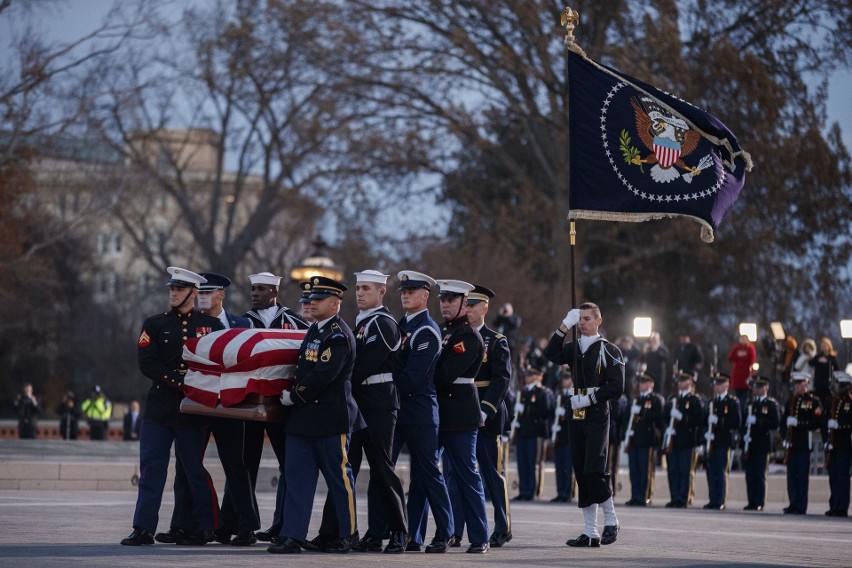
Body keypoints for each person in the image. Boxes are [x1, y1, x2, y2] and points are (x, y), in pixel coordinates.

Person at [121, 267, 223, 546]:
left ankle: (204, 527)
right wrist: (181, 380)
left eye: (178, 289)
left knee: (193, 469)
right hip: (160, 408)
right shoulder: (154, 323)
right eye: (171, 288)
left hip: (193, 410)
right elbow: (147, 363)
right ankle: (143, 528)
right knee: (152, 469)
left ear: (192, 292)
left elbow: (219, 364)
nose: (173, 293)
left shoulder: (211, 326)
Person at [314, 270, 408, 554]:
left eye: (366, 288)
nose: (359, 293)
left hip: (378, 401)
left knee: (382, 468)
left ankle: (399, 532)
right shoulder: (359, 323)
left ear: (381, 292)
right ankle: (332, 532)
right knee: (343, 468)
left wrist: (337, 378)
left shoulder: (384, 324)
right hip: (357, 401)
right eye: (358, 288)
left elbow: (365, 364)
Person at [268, 276, 359, 554]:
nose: (311, 304)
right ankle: (292, 535)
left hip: (329, 419)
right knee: (298, 479)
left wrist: (294, 395)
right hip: (304, 419)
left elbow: (323, 375)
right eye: (309, 300)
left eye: (317, 300)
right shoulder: (315, 331)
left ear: (335, 303)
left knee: (339, 482)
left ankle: (348, 534)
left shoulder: (337, 335)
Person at [544, 302, 625, 548]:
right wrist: (563, 326)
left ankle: (611, 519)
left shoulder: (609, 350)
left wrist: (591, 397)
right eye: (579, 319)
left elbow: (617, 387)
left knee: (594, 468)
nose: (582, 323)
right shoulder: (574, 347)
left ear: (598, 320)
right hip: (576, 412)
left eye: (586, 319)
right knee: (581, 470)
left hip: (597, 412)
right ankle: (590, 532)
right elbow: (550, 354)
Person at [388, 270, 453, 553]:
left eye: (411, 291)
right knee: (385, 470)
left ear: (425, 296)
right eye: (403, 291)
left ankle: (445, 531)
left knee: (427, 474)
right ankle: (398, 533)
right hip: (397, 409)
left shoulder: (427, 330)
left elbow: (411, 377)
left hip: (420, 411)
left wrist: (381, 390)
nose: (405, 295)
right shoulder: (400, 326)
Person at [242, 271, 309, 544]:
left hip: (282, 404)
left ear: (274, 292)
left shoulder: (295, 322)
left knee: (288, 464)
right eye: (253, 289)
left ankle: (282, 523)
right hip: (251, 403)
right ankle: (244, 525)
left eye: (260, 289)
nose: (254, 293)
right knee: (246, 465)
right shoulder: (243, 322)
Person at [432, 279, 489, 554]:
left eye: (451, 300)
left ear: (465, 304)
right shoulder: (446, 332)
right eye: (443, 300)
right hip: (439, 410)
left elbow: (444, 375)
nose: (444, 304)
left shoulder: (466, 336)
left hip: (459, 412)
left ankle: (479, 536)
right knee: (430, 473)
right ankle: (440, 533)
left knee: (467, 475)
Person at [459, 284, 513, 548]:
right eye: (466, 305)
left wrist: (485, 409)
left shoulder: (496, 340)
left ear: (485, 308)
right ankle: (456, 530)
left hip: (486, 412)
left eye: (472, 305)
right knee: (458, 473)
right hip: (461, 411)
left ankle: (502, 526)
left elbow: (501, 379)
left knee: (492, 473)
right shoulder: (457, 337)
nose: (467, 310)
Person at [782, 371, 823, 515]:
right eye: (795, 384)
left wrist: (799, 423)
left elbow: (816, 422)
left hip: (804, 443)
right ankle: (793, 503)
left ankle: (801, 505)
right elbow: (783, 422)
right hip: (791, 444)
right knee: (791, 476)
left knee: (802, 477)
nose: (796, 387)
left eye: (799, 384)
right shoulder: (790, 401)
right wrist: (784, 438)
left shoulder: (813, 401)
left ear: (806, 384)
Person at [663, 372, 704, 508]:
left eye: (684, 380)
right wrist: (667, 428)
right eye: (680, 380)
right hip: (673, 441)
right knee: (673, 470)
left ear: (690, 382)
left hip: (686, 441)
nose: (681, 383)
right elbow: (664, 417)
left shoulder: (694, 400)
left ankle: (683, 498)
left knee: (684, 470)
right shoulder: (672, 400)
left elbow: (698, 419)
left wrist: (682, 417)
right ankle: (674, 496)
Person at [512, 367, 554, 502]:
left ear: (537, 376)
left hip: (535, 432)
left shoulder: (542, 392)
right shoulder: (523, 392)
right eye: (526, 375)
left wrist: (526, 410)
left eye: (530, 375)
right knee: (522, 462)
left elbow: (546, 410)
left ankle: (532, 490)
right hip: (523, 432)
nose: (527, 377)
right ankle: (523, 490)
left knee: (533, 462)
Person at [623, 373, 664, 506]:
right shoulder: (635, 400)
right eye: (641, 382)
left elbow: (657, 417)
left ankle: (645, 496)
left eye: (645, 382)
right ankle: (635, 495)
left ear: (652, 384)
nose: (642, 385)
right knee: (634, 469)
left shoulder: (655, 400)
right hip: (634, 439)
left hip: (647, 439)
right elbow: (627, 419)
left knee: (645, 470)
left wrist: (640, 411)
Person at [702, 373, 741, 510]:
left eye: (719, 384)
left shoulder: (732, 402)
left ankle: (720, 500)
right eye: (715, 384)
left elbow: (736, 422)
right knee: (711, 472)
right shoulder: (711, 402)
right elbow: (703, 421)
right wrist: (706, 433)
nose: (716, 387)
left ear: (726, 385)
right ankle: (713, 499)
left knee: (721, 471)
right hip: (711, 442)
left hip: (723, 442)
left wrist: (719, 421)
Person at [741, 375, 780, 511]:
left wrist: (758, 421)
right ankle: (751, 500)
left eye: (759, 387)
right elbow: (743, 423)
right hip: (750, 444)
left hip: (762, 444)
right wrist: (743, 438)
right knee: (750, 475)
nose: (756, 390)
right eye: (755, 387)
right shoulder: (749, 404)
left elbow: (775, 423)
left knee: (760, 475)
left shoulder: (770, 404)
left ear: (766, 388)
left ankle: (759, 501)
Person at [824, 371, 851, 517]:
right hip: (832, 444)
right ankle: (834, 504)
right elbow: (824, 421)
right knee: (833, 475)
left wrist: (839, 425)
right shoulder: (833, 401)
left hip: (844, 445)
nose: (836, 388)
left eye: (839, 385)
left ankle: (842, 506)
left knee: (842, 477)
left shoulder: (849, 402)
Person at [551, 373, 575, 504]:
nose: (564, 381)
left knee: (568, 466)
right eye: (563, 379)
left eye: (567, 379)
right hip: (559, 436)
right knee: (559, 466)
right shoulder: (559, 396)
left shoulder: (575, 395)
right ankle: (560, 492)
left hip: (569, 436)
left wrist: (565, 413)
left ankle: (567, 493)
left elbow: (578, 414)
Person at [809, 337, 839, 411]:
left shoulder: (832, 357)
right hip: (818, 383)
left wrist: (827, 362)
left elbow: (837, 367)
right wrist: (819, 360)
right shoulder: (818, 356)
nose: (823, 348)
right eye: (822, 346)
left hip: (828, 384)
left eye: (825, 346)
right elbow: (811, 362)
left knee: (827, 401)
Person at [727, 334, 756, 412]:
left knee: (744, 397)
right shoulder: (736, 348)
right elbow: (730, 358)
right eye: (741, 339)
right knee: (737, 395)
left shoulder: (750, 348)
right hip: (737, 376)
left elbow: (752, 361)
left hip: (746, 376)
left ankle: (743, 411)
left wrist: (750, 375)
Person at [492, 302, 521, 378]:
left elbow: (514, 325)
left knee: (510, 363)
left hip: (510, 344)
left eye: (507, 309)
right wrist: (499, 315)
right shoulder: (501, 318)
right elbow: (494, 323)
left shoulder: (515, 317)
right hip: (499, 342)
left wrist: (507, 316)